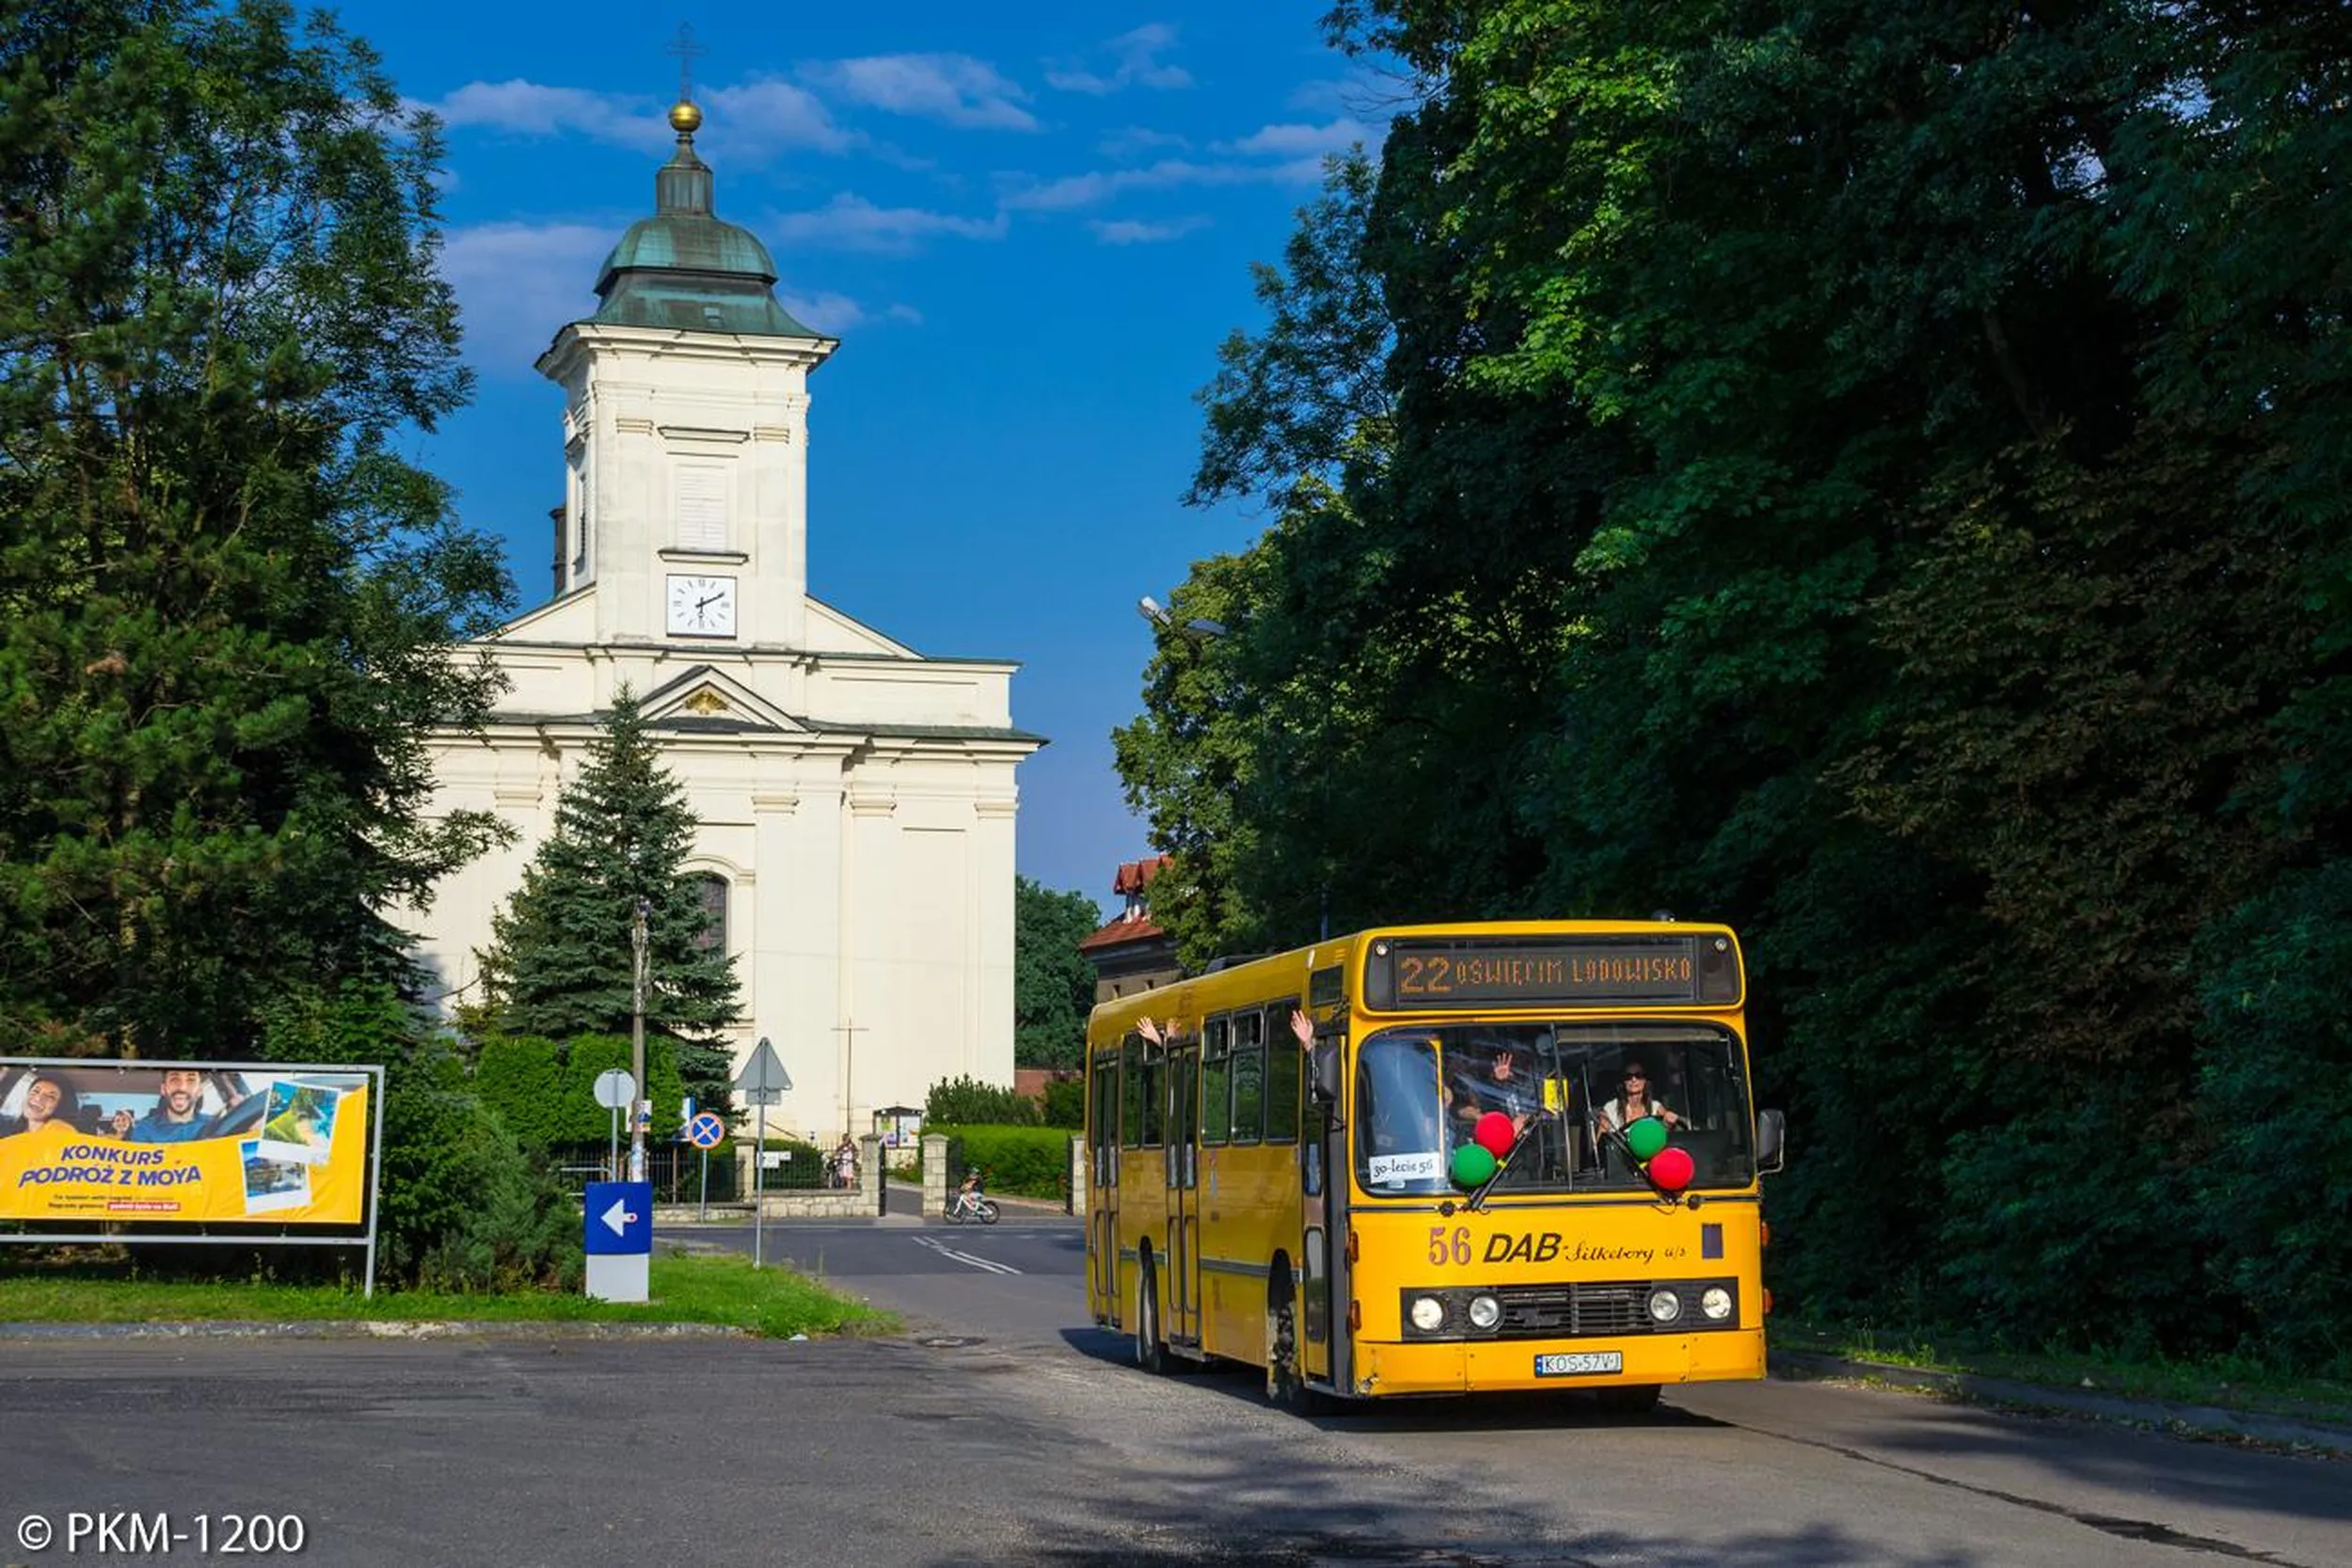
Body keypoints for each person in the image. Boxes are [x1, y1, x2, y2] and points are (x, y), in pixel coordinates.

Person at [125, 1068, 215, 1143]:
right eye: (175, 1079)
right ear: (163, 1089)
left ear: (199, 1091)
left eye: (191, 1080)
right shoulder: (144, 1129)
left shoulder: (215, 1125)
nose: (182, 1087)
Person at [1594, 1061, 1681, 1136]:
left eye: (1638, 1075)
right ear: (1623, 1082)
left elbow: (1668, 1138)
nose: (1633, 1079)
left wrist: (1668, 1124)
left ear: (1645, 1080)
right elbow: (1601, 1146)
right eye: (1628, 1076)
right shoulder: (1610, 1108)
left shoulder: (1656, 1107)